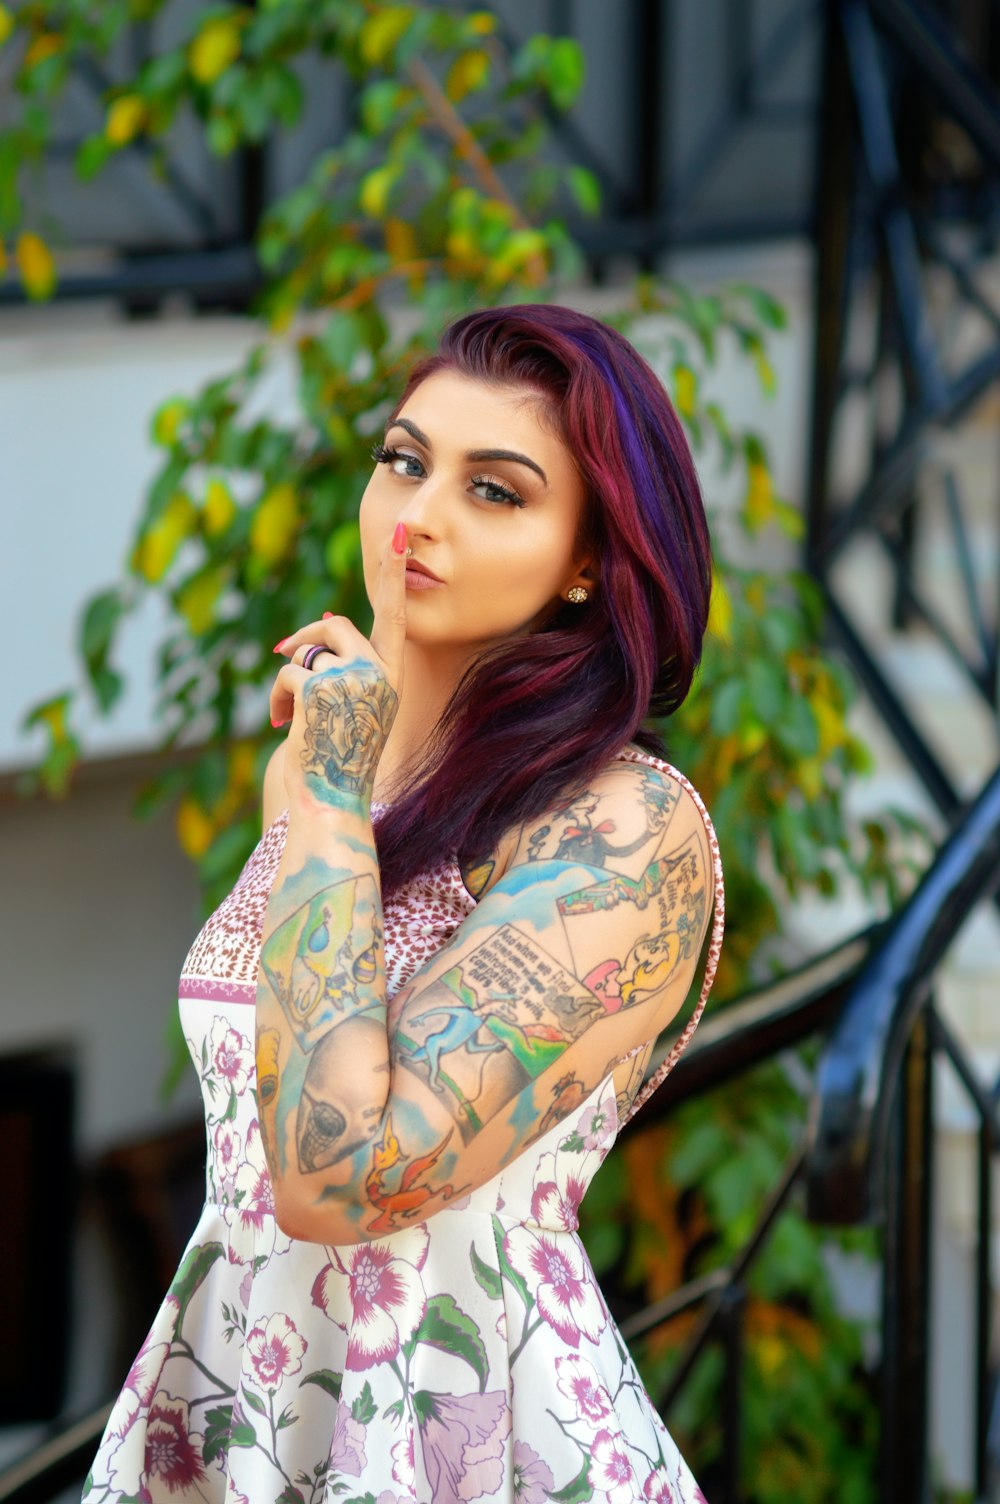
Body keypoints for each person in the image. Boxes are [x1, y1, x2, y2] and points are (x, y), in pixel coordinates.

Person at [89, 304, 724, 1504]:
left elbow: (340, 1180)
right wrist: (333, 789)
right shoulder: (345, 780)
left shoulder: (621, 829)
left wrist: (322, 794)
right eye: (405, 459)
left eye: (497, 490)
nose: (420, 514)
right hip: (248, 1415)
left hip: (463, 1434)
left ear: (590, 558)